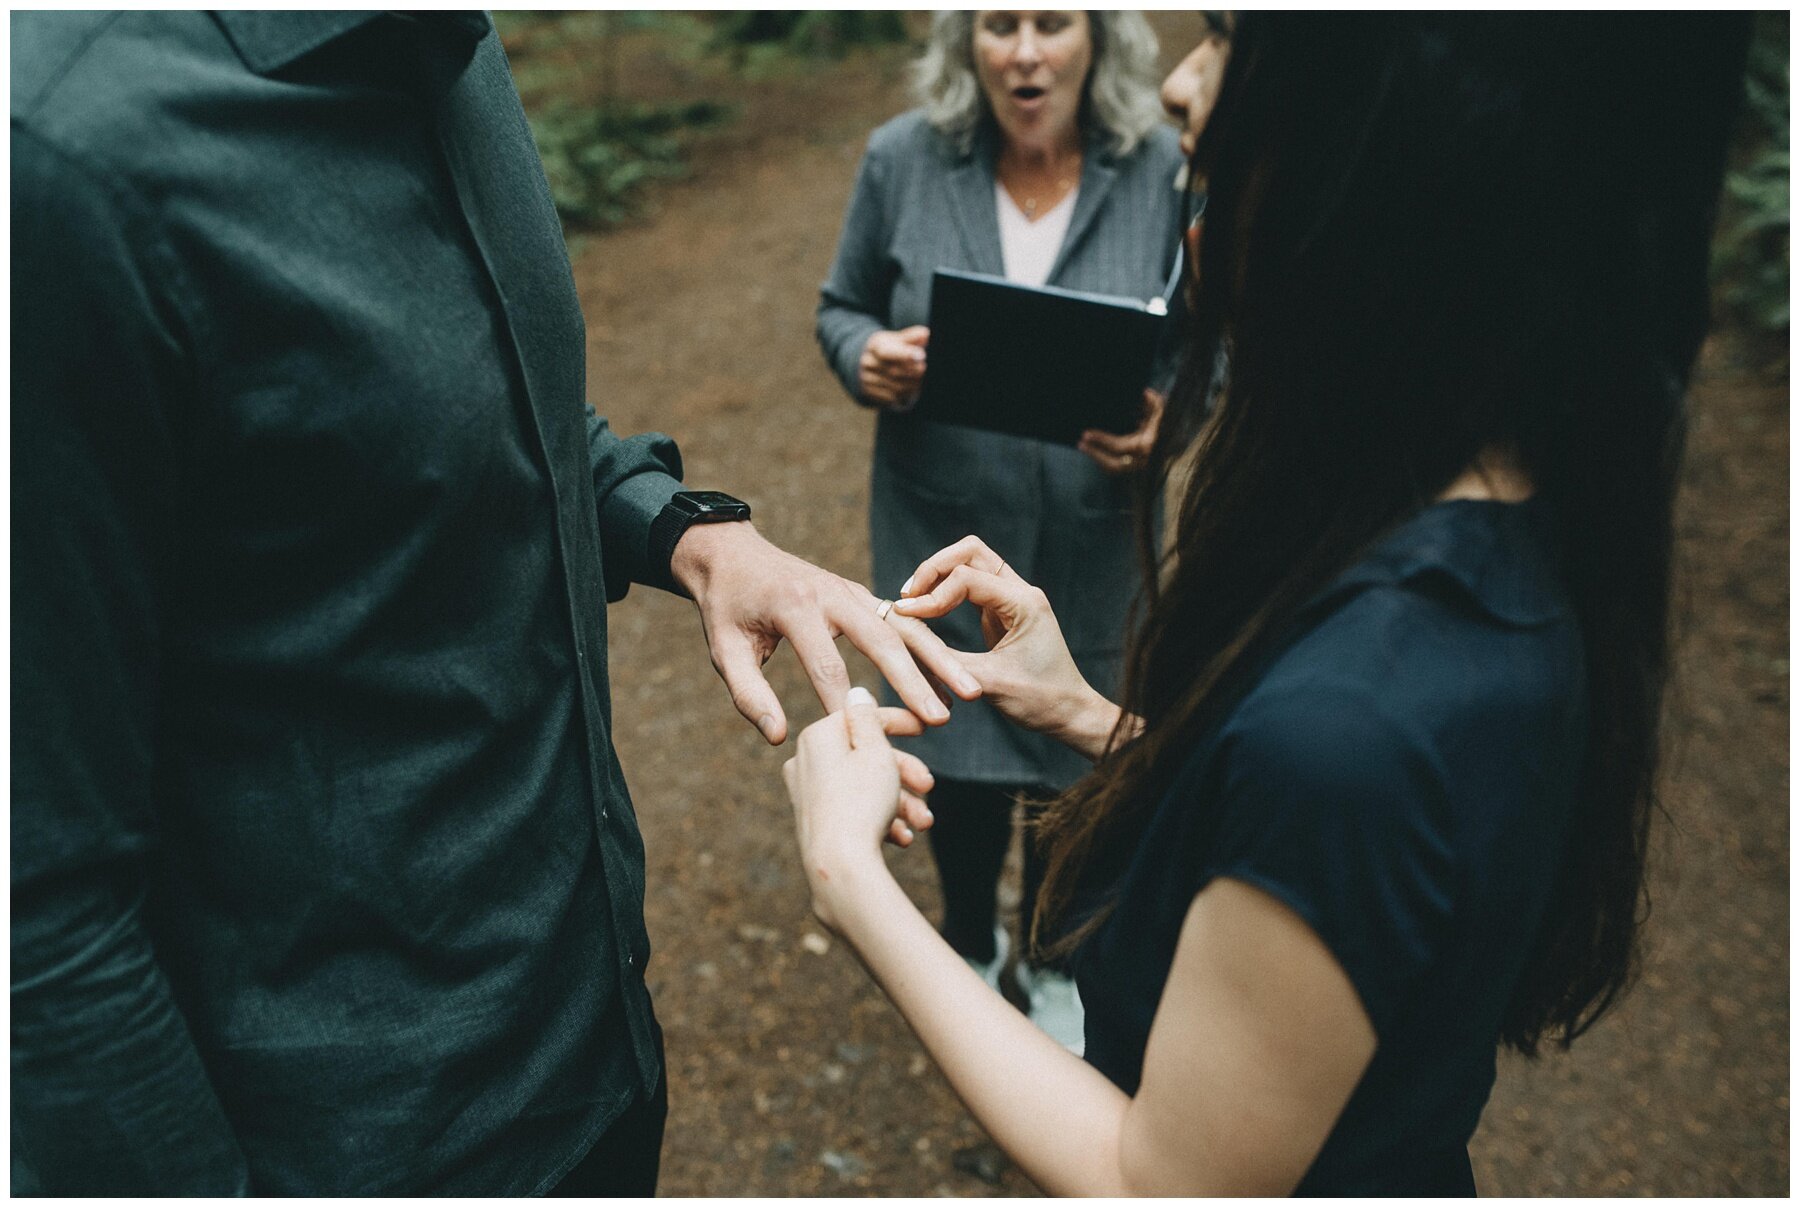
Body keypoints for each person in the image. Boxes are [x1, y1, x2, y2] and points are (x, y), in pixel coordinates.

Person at [785, 13, 1749, 1195]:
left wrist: (847, 870)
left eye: (1234, 36)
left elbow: (1163, 1181)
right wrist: (1092, 715)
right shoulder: (1491, 527)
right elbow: (1320, 836)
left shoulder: (1358, 726)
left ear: (1398, 132)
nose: (1185, 85)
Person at [10, 11, 961, 1196]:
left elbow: (460, 423)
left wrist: (685, 532)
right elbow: (41, 927)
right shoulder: (59, 160)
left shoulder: (449, 41)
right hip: (364, 1144)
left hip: (596, 1063)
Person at [814, 10, 1185, 1049]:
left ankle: (1058, 962)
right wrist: (866, 355)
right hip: (941, 529)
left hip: (1096, 542)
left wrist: (1170, 419)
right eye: (998, 22)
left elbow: (1211, 344)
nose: (1025, 51)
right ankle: (971, 942)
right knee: (961, 752)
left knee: (1080, 761)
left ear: (1100, 38)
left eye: (1053, 21)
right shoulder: (901, 156)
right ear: (963, 41)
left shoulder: (1161, 165)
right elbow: (840, 306)